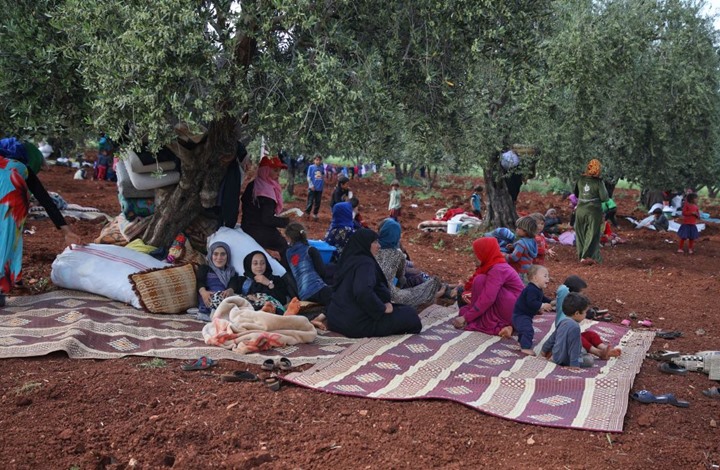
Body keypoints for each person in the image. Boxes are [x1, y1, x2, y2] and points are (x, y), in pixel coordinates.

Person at [1, 137, 81, 306]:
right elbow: (44, 199)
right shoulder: (22, 168)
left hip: (9, 200)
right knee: (7, 242)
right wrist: (66, 231)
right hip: (13, 204)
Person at [326, 228, 421, 338]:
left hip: (336, 320)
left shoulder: (348, 260)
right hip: (354, 324)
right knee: (411, 315)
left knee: (400, 308)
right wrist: (381, 308)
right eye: (375, 242)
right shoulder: (365, 264)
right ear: (366, 244)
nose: (379, 246)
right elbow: (362, 291)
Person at [451, 237, 524, 336]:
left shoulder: (498, 269)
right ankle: (506, 325)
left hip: (514, 310)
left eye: (476, 253)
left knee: (480, 281)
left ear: (485, 252)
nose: (474, 257)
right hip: (513, 308)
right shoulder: (494, 265)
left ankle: (504, 326)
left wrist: (466, 317)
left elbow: (488, 298)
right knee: (464, 310)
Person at [375, 218, 447, 307]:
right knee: (416, 282)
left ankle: (440, 288)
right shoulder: (396, 253)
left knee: (416, 277)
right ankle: (436, 292)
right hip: (387, 295)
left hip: (372, 292)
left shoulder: (373, 246)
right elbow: (400, 278)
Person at [554, 275, 621, 359]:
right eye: (581, 293)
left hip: (572, 336)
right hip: (564, 340)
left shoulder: (573, 313)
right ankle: (598, 352)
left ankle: (604, 348)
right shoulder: (565, 317)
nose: (583, 296)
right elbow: (562, 289)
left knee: (591, 334)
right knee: (579, 338)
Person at [240, 155, 291, 260]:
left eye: (279, 171)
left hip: (247, 226)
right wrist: (286, 222)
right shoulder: (266, 191)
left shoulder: (253, 185)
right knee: (283, 245)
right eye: (275, 170)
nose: (278, 174)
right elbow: (267, 219)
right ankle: (288, 272)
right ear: (265, 171)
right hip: (259, 229)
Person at [541, 293, 595, 368]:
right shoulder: (575, 327)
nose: (586, 315)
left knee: (582, 349)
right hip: (566, 360)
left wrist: (544, 350)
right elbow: (574, 348)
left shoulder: (562, 321)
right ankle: (575, 360)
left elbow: (552, 338)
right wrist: (574, 365)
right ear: (577, 313)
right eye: (585, 312)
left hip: (556, 356)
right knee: (589, 360)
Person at [285, 222, 332, 305]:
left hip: (303, 295)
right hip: (318, 289)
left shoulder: (288, 253)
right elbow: (322, 272)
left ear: (289, 238)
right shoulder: (310, 250)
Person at [573, 159, 609, 264]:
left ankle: (581, 256)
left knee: (580, 233)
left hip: (580, 210)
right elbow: (604, 197)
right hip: (593, 211)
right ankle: (587, 256)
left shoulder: (580, 179)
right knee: (592, 233)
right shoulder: (599, 182)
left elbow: (576, 194)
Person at [511, 265, 552, 355]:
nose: (548, 278)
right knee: (528, 330)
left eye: (548, 276)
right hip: (520, 315)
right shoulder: (531, 289)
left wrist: (551, 302)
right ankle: (525, 348)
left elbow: (542, 298)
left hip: (524, 315)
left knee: (524, 328)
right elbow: (531, 302)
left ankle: (521, 342)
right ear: (535, 278)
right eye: (545, 276)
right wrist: (542, 305)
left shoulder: (537, 289)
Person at [196, 242, 241, 321]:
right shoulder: (205, 269)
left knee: (237, 300)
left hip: (224, 298)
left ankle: (220, 313)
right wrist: (203, 292)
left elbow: (233, 284)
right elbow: (200, 281)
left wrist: (230, 291)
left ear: (228, 256)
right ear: (211, 255)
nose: (219, 257)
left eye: (223, 254)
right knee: (210, 300)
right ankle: (205, 313)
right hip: (208, 296)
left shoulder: (232, 272)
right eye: (215, 254)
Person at [305, 155, 325, 220]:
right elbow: (308, 177)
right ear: (314, 160)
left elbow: (323, 175)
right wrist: (311, 185)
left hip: (319, 188)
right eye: (316, 160)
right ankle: (307, 213)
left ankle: (315, 214)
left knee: (318, 202)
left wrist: (322, 185)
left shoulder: (322, 167)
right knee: (310, 201)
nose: (318, 161)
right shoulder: (311, 167)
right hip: (312, 188)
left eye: (319, 160)